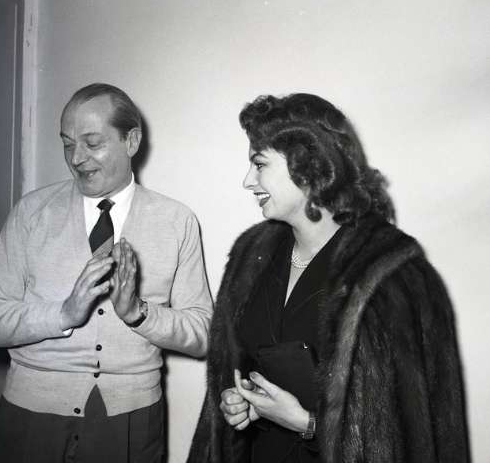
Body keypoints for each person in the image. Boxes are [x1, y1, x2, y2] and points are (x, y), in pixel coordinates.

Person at [188, 93, 469, 463]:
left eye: (259, 164)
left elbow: (407, 436)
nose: (247, 181)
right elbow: (236, 368)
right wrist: (236, 402)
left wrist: (306, 424)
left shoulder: (392, 277)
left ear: (306, 166)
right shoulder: (250, 258)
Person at [0, 83, 213, 463]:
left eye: (92, 143)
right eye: (67, 144)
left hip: (132, 421)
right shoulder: (30, 213)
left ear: (132, 141)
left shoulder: (177, 221)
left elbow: (203, 334)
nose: (77, 158)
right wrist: (62, 314)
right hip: (30, 416)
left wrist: (139, 313)